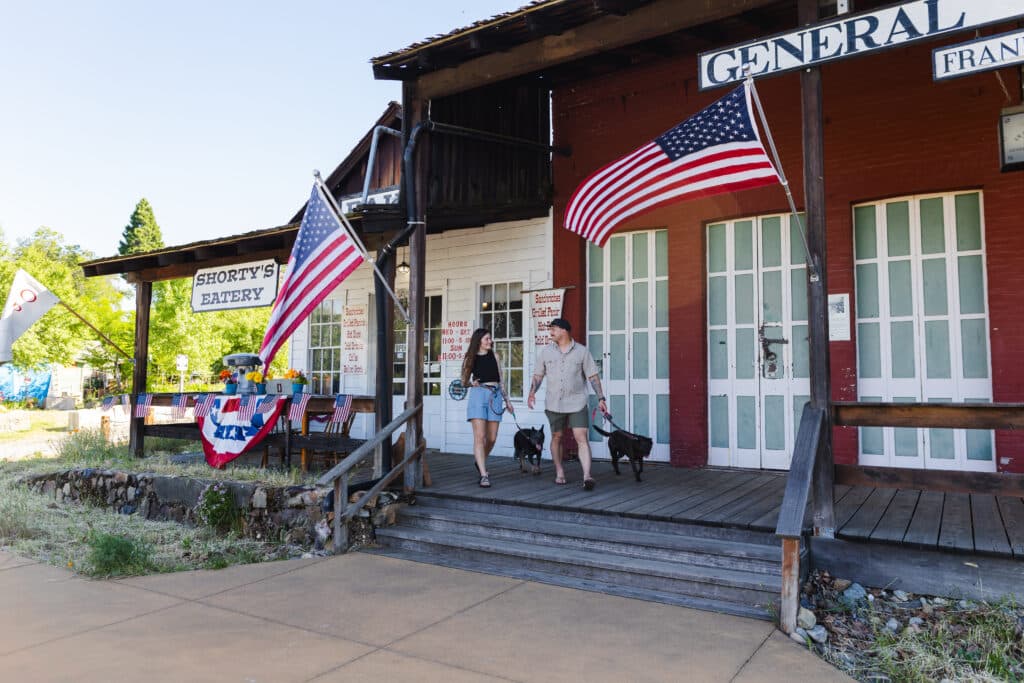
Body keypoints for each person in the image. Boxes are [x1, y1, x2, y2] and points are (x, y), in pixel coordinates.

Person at [527, 318, 606, 490]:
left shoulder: (582, 352)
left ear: (564, 330)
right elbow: (538, 375)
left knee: (581, 438)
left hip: (577, 402)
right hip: (554, 403)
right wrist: (532, 392)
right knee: (557, 437)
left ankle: (587, 476)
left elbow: (592, 376)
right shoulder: (546, 352)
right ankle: (560, 471)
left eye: (553, 329)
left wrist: (601, 398)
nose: (550, 332)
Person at [461, 328, 513, 488]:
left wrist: (507, 400)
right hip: (478, 395)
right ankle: (484, 475)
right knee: (480, 437)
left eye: (490, 339)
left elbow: (501, 380)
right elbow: (463, 381)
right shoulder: (470, 358)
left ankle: (480, 459)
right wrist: (471, 383)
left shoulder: (495, 356)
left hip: (495, 395)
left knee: (492, 438)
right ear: (479, 341)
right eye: (487, 339)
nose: (490, 341)